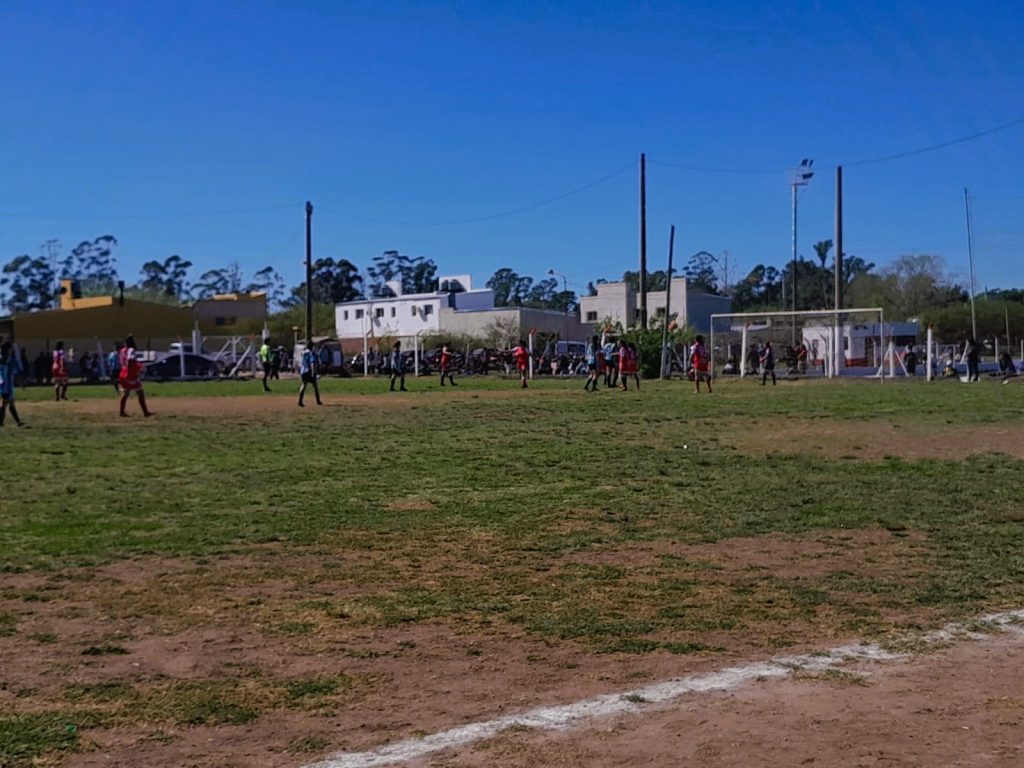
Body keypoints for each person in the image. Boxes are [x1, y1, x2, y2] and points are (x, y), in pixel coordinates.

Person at [118, 335, 153, 417]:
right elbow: (130, 360)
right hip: (129, 373)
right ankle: (145, 412)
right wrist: (138, 368)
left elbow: (122, 361)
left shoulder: (122, 350)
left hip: (122, 372)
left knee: (125, 393)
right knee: (140, 392)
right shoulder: (131, 350)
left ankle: (121, 412)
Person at [0, 341, 26, 428]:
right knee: (7, 403)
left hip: (5, 385)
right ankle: (17, 422)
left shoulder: (4, 360)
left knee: (8, 403)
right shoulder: (9, 360)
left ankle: (14, 422)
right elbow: (16, 371)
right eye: (10, 348)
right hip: (6, 386)